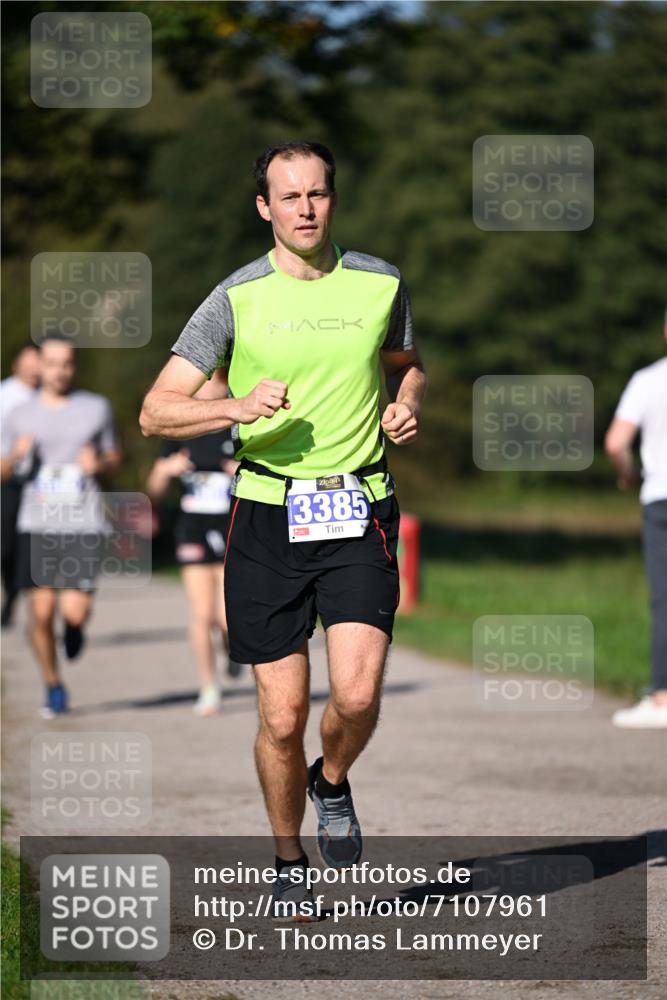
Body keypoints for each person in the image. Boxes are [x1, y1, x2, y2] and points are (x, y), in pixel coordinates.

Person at [140, 140, 426, 916]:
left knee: (358, 695)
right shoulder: (233, 299)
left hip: (359, 506)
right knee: (281, 714)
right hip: (268, 513)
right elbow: (155, 410)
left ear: (333, 199)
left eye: (317, 194)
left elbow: (406, 360)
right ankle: (287, 856)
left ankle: (329, 781)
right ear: (263, 207)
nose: (305, 208)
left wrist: (408, 399)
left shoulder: (379, 282)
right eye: (288, 196)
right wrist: (231, 406)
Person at [0, 333, 121, 718]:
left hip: (82, 523)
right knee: (39, 612)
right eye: (51, 363)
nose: (59, 371)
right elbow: (2, 469)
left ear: (74, 365)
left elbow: (114, 454)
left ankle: (74, 629)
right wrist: (16, 456)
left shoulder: (95, 408)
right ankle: (53, 685)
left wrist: (98, 464)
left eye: (67, 363)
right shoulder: (20, 414)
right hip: (37, 522)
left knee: (74, 611)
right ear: (40, 365)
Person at [146, 370, 241, 717]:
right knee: (202, 614)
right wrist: (166, 470)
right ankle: (208, 687)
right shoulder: (180, 425)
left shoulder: (239, 416)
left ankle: (234, 647)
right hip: (193, 527)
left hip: (232, 524)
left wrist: (240, 470)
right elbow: (153, 489)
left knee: (228, 617)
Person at [605, 314, 667, 729]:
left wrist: (627, 472)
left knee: (665, 599)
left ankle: (663, 698)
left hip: (661, 497)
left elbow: (615, 443)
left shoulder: (648, 380)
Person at [0, 344, 41, 626]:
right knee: (5, 547)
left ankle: (25, 599)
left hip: (40, 483)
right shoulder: (5, 395)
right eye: (27, 362)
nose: (32, 367)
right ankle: (12, 590)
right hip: (7, 479)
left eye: (36, 362)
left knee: (32, 545)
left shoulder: (50, 397)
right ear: (16, 365)